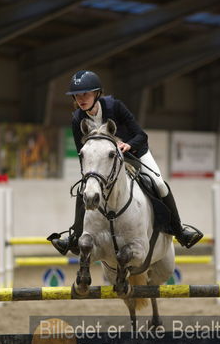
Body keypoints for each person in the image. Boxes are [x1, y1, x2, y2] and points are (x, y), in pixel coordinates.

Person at [48, 70, 203, 255]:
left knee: (159, 184)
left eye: (86, 94)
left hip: (134, 153)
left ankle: (180, 231)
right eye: (77, 95)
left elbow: (141, 135)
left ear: (97, 93)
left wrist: (128, 145)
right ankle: (74, 236)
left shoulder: (115, 107)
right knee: (85, 191)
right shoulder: (77, 119)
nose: (81, 99)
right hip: (104, 164)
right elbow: (82, 152)